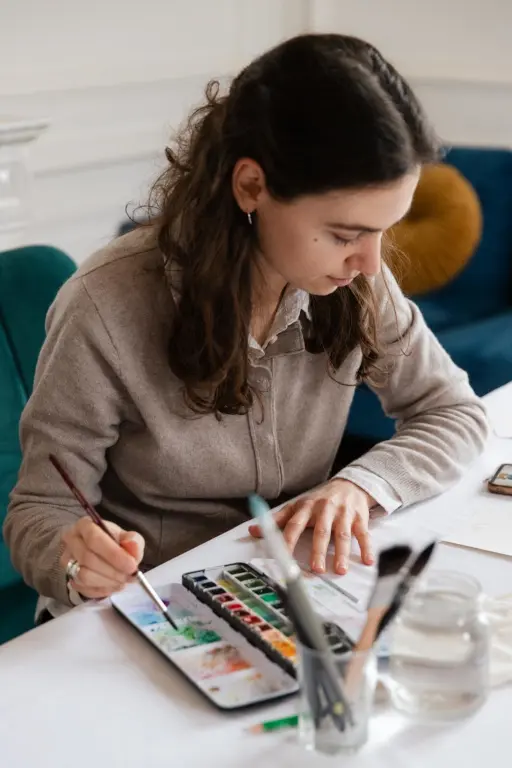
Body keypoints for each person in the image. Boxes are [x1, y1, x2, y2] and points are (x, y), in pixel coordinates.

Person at [4, 33, 488, 620]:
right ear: (251, 186)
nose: (370, 262)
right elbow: (40, 508)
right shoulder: (105, 304)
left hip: (283, 593)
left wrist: (359, 486)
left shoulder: (355, 279)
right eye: (344, 234)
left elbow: (454, 411)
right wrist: (75, 559)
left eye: (383, 230)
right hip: (144, 613)